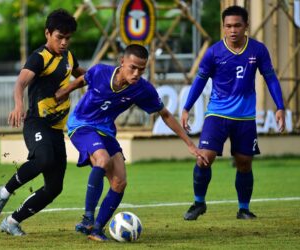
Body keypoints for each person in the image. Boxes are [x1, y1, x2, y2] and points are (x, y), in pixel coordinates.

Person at [55, 44, 209, 241]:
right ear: (122, 62)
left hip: (106, 131)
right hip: (81, 124)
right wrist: (63, 92)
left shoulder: (142, 89)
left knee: (119, 182)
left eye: (141, 69)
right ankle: (87, 218)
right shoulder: (100, 71)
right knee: (101, 159)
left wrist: (190, 144)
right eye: (133, 67)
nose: (137, 73)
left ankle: (96, 230)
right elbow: (81, 80)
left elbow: (165, 114)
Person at [181, 5, 286, 221]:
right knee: (204, 159)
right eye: (228, 26)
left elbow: (270, 78)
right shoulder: (213, 53)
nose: (233, 30)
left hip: (245, 117)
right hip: (217, 114)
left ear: (246, 26)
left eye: (237, 25)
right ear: (223, 27)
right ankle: (199, 203)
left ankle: (243, 209)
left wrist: (280, 107)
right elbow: (200, 80)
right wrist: (186, 107)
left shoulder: (258, 50)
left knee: (244, 163)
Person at [0, 9, 85, 236]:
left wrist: (76, 85)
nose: (63, 42)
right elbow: (20, 83)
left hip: (57, 129)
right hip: (36, 123)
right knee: (43, 159)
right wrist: (19, 105)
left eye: (67, 38)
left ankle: (12, 221)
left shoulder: (69, 57)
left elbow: (84, 76)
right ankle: (4, 192)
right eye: (59, 37)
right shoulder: (39, 57)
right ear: (47, 33)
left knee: (54, 188)